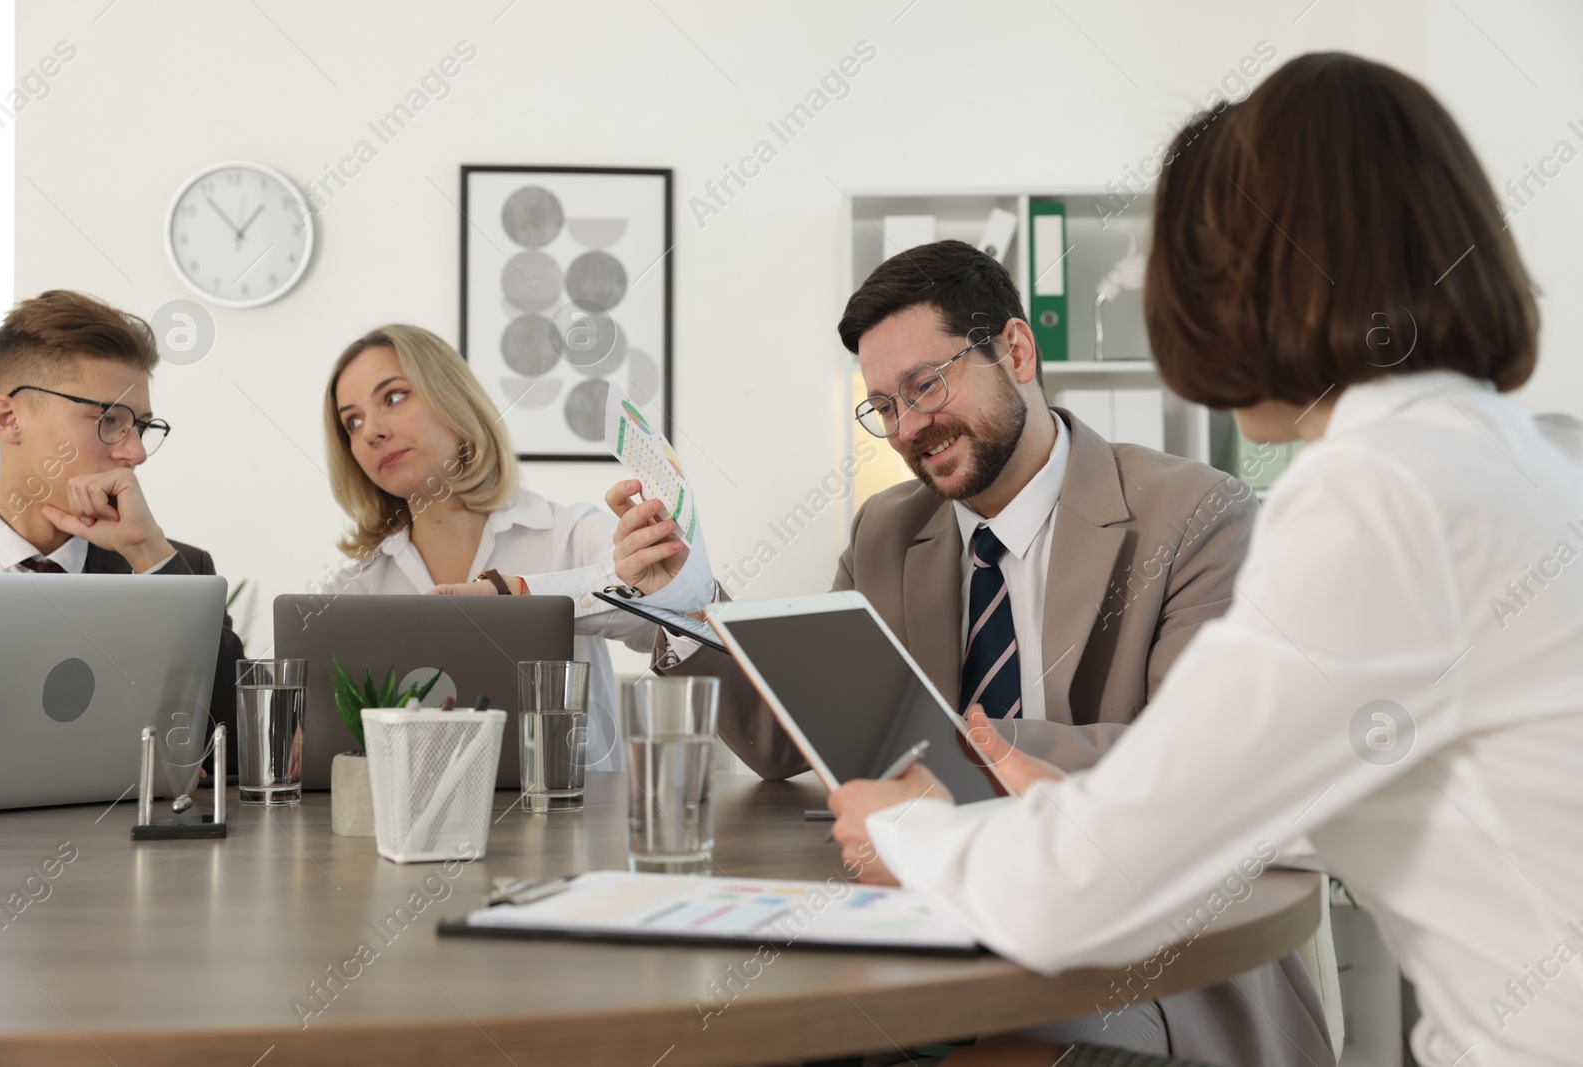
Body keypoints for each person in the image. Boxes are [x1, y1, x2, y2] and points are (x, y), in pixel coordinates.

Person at [828, 52, 1583, 1067]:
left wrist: (912, 829)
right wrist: (1084, 805)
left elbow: (1082, 894)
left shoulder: (1380, 494)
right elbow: (1279, 796)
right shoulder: (1509, 455)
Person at [607, 243, 1334, 1062]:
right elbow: (783, 742)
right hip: (924, 917)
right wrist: (684, 602)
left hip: (1125, 939)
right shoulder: (888, 529)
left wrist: (962, 749)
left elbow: (1198, 762)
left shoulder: (1194, 514)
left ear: (1016, 351)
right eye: (883, 404)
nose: (909, 427)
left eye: (926, 384)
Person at [319, 323, 709, 769]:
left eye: (392, 397)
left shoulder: (572, 534)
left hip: (576, 829)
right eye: (352, 421)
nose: (370, 432)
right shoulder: (353, 589)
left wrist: (521, 595)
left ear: (453, 399)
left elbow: (684, 623)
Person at [0, 290, 245, 772]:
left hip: (122, 843)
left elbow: (236, 746)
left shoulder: (168, 568)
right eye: (109, 420)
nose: (135, 454)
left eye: (141, 427)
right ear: (8, 418)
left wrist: (149, 554)